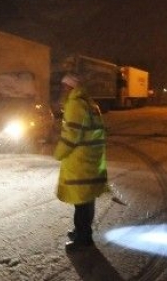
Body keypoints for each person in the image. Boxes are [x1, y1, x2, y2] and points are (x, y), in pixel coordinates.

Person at [53, 72, 109, 253]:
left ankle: (83, 238)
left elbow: (71, 135)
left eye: (64, 87)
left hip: (81, 161)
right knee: (86, 199)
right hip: (92, 159)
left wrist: (58, 153)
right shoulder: (90, 103)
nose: (62, 90)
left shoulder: (75, 104)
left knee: (82, 202)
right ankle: (81, 232)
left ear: (71, 88)